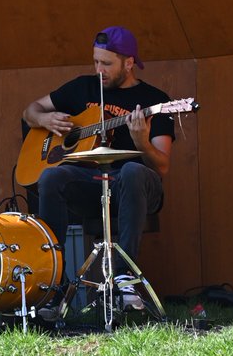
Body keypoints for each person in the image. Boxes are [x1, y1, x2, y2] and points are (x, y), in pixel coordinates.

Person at [22, 26, 175, 309]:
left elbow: (162, 166)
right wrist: (45, 121)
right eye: (95, 61)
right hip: (92, 183)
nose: (99, 69)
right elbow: (29, 111)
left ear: (129, 63)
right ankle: (54, 282)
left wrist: (142, 141)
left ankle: (124, 278)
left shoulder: (156, 101)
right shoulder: (83, 87)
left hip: (136, 187)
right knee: (51, 177)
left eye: (106, 63)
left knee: (131, 170)